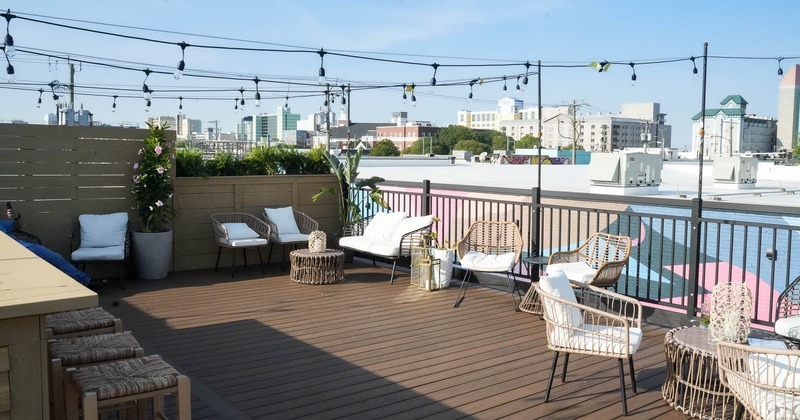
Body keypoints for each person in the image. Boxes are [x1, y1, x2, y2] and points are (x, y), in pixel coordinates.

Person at [2, 206, 107, 291]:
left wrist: (15, 217)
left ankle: (85, 281)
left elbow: (17, 226)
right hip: (9, 253)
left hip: (27, 247)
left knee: (55, 257)